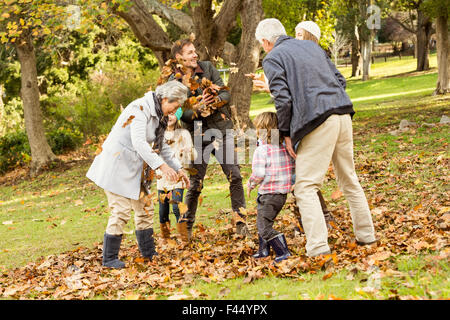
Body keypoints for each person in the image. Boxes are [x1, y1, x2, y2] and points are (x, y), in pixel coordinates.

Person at [254, 18, 377, 257]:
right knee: (349, 179)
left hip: (317, 120)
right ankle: (367, 236)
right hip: (342, 112)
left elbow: (283, 99)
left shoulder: (272, 58)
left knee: (305, 187)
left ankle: (318, 247)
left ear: (266, 42)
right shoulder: (311, 47)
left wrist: (287, 134)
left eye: (262, 45)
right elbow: (339, 80)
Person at [86, 80, 190, 268]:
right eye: (174, 107)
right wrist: (161, 167)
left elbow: (162, 146)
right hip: (116, 166)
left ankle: (149, 253)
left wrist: (177, 168)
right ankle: (109, 259)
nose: (174, 112)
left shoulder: (159, 115)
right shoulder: (139, 109)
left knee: (145, 208)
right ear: (166, 99)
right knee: (121, 211)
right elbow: (139, 143)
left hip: (135, 169)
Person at [249, 21, 336, 232]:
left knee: (302, 180)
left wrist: (285, 133)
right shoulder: (298, 57)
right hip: (314, 120)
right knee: (303, 177)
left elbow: (288, 98)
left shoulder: (285, 56)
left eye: (300, 33)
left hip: (307, 124)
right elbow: (292, 93)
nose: (295, 38)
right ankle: (315, 220)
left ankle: (315, 223)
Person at [169, 38, 249, 240]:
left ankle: (240, 222)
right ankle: (186, 228)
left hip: (221, 131)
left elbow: (226, 94)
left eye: (195, 51)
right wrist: (196, 108)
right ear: (179, 57)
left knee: (235, 176)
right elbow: (178, 112)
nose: (195, 55)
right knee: (195, 184)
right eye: (190, 52)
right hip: (196, 137)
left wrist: (213, 102)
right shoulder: (174, 81)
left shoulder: (207, 68)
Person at [247, 112, 294, 263]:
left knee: (263, 227)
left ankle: (283, 252)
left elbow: (259, 173)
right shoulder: (283, 148)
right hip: (281, 194)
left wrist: (251, 184)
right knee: (265, 221)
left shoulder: (262, 150)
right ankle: (264, 250)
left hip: (268, 194)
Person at [156, 112, 195, 242]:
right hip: (162, 179)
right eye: (166, 114)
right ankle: (165, 238)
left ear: (177, 116)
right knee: (163, 211)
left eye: (172, 114)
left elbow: (193, 155)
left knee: (177, 207)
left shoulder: (183, 133)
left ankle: (184, 238)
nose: (169, 117)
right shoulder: (158, 133)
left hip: (178, 177)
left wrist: (189, 151)